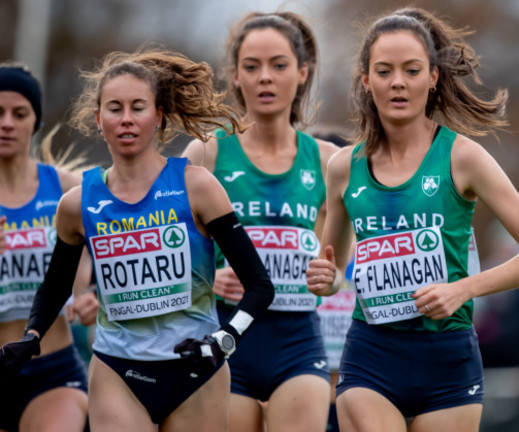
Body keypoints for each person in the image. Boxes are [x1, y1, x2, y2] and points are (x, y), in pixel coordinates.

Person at [306, 7, 519, 432]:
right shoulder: (343, 168)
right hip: (371, 353)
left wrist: (463, 289)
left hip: (447, 355)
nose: (398, 82)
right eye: (384, 71)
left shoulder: (463, 157)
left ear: (433, 77)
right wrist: (324, 277)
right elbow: (333, 269)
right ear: (367, 81)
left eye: (411, 70)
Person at [0, 47, 275, 431]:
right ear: (98, 119)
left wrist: (225, 338)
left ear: (159, 115)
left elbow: (260, 286)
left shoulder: (197, 187)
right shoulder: (77, 204)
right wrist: (32, 335)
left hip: (197, 372)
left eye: (138, 107)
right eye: (115, 108)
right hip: (117, 371)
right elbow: (55, 285)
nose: (126, 119)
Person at [183, 12, 340, 432]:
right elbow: (168, 244)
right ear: (235, 76)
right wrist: (206, 279)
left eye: (279, 65)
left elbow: (341, 269)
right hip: (226, 335)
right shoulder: (205, 154)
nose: (265, 78)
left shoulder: (330, 161)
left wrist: (331, 278)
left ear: (302, 73)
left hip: (298, 341)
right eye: (252, 67)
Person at [0, 63, 96, 432]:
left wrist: (95, 295)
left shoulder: (69, 189)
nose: (7, 122)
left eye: (19, 113)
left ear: (35, 121)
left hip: (52, 370)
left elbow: (125, 248)